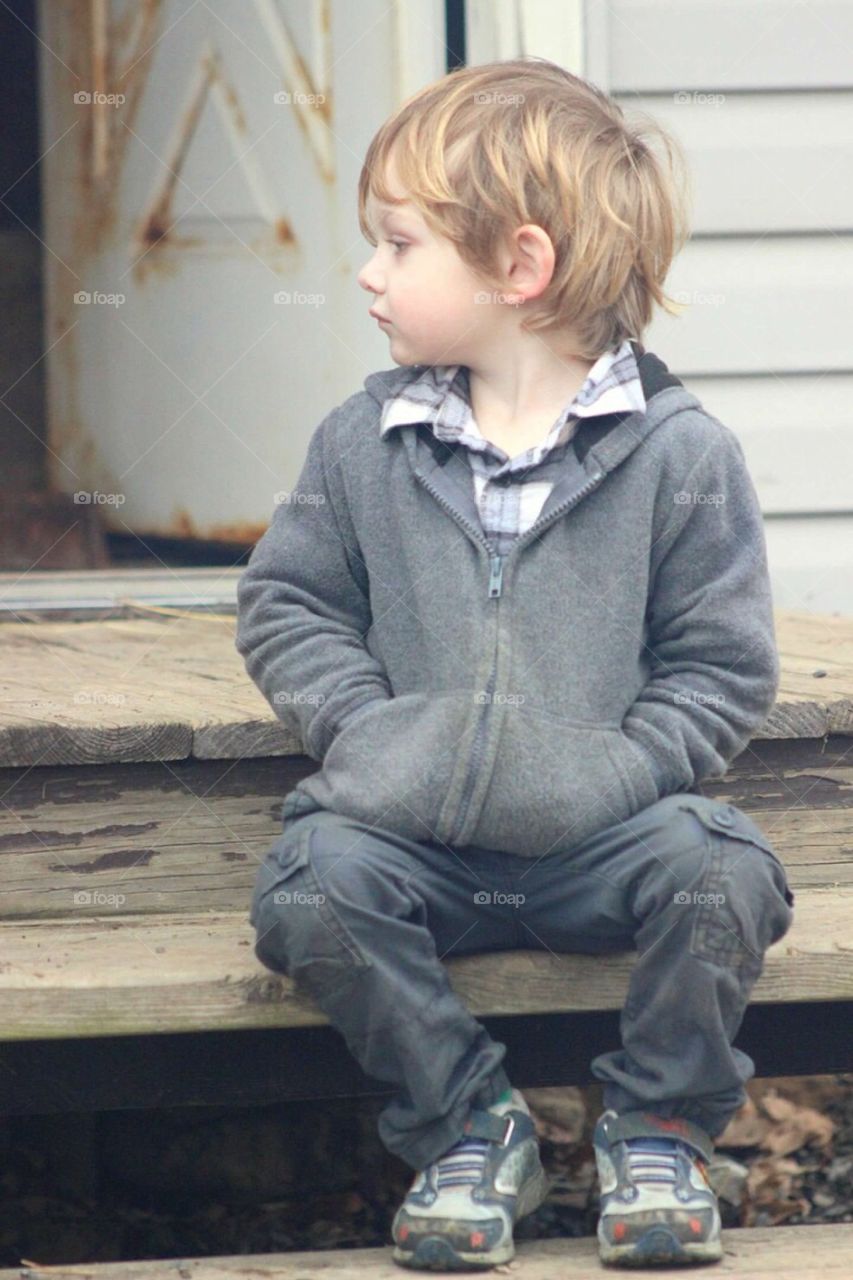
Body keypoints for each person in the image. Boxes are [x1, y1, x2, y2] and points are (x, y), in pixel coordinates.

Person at [236, 56, 795, 1272]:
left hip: (603, 839)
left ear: (519, 266)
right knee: (308, 881)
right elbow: (288, 602)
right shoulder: (364, 441)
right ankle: (467, 1126)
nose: (370, 274)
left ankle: (655, 1128)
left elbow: (718, 664)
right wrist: (366, 731)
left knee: (722, 869)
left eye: (397, 243)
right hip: (409, 833)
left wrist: (622, 771)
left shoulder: (680, 456)